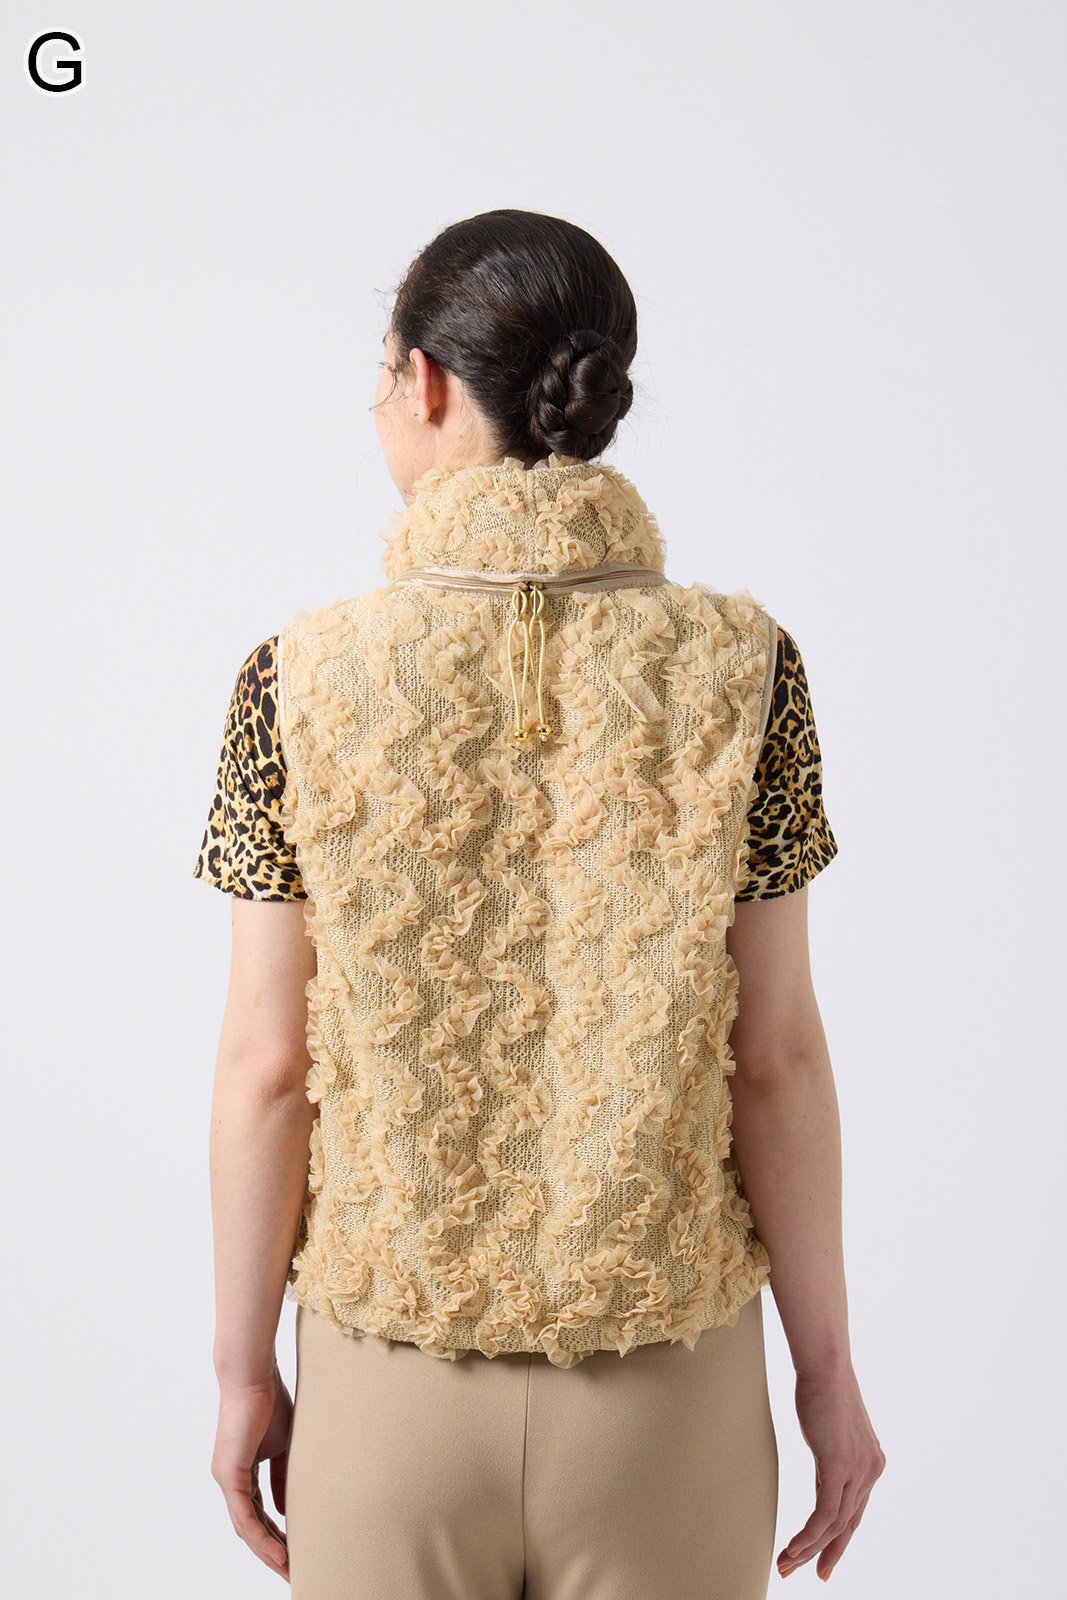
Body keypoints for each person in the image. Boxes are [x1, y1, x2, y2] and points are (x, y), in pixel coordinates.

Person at [194, 209, 885, 1598]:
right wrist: (826, 1374)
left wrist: (240, 1373)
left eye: (382, 369)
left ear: (424, 383)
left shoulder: (296, 679)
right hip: (667, 1396)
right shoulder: (746, 667)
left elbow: (268, 1068)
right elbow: (776, 1055)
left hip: (387, 1390)